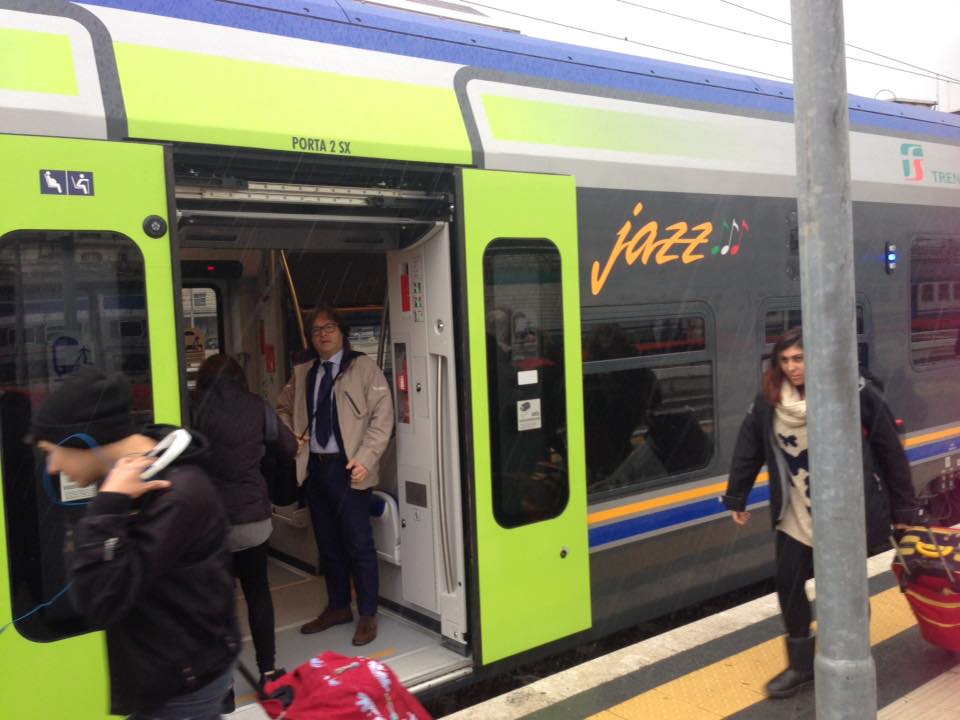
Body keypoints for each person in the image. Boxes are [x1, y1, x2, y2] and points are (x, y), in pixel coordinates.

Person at [722, 326, 919, 699]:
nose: (793, 368)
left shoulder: (851, 390)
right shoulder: (770, 400)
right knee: (788, 584)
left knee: (845, 589)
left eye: (800, 359)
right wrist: (737, 496)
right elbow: (750, 445)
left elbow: (889, 448)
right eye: (785, 361)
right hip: (796, 511)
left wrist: (904, 505)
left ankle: (851, 654)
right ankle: (800, 665)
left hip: (844, 512)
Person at [31, 367, 239, 719]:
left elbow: (100, 599)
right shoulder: (140, 478)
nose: (52, 467)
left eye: (54, 451)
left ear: (83, 441)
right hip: (171, 675)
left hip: (181, 688)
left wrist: (107, 506)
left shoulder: (175, 495)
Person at [276, 305, 394, 646]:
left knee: (359, 544)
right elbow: (281, 408)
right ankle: (339, 606)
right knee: (327, 545)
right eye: (316, 330)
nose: (323, 334)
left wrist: (366, 459)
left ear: (341, 331)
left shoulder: (364, 368)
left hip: (350, 468)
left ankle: (368, 613)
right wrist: (292, 435)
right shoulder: (303, 372)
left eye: (329, 328)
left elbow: (382, 418)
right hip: (315, 468)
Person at [192, 354, 297, 688]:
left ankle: (222, 687)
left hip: (212, 525)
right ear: (239, 377)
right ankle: (267, 672)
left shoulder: (193, 407)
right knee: (258, 591)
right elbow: (289, 447)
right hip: (253, 520)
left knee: (217, 601)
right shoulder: (257, 405)